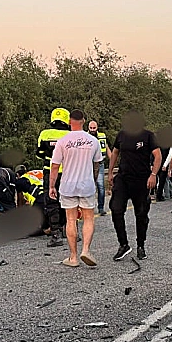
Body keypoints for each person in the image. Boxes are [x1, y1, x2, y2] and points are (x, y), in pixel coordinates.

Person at [49, 110, 103, 267]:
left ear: (69, 121)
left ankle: (73, 257)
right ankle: (86, 250)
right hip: (86, 185)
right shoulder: (93, 141)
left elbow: (55, 166)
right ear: (84, 121)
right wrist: (92, 181)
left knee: (70, 220)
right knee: (88, 218)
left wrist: (52, 185)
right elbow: (97, 164)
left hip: (68, 185)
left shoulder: (63, 141)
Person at [108, 110, 161, 261]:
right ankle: (123, 244)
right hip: (123, 178)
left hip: (142, 179)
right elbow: (115, 153)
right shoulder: (122, 135)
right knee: (116, 209)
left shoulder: (148, 136)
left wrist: (153, 175)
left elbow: (158, 156)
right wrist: (111, 172)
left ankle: (140, 245)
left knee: (141, 214)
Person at [38, 108, 71, 247]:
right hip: (69, 173)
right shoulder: (72, 135)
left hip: (50, 173)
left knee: (52, 203)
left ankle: (55, 234)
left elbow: (39, 153)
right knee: (68, 202)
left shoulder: (45, 134)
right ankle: (68, 230)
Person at [88, 120, 111, 216]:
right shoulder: (85, 137)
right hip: (88, 165)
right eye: (91, 128)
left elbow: (106, 147)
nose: (93, 130)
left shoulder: (102, 136)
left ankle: (101, 207)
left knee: (101, 187)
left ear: (97, 127)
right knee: (88, 187)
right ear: (88, 128)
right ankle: (88, 208)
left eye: (94, 128)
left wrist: (112, 160)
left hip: (100, 163)